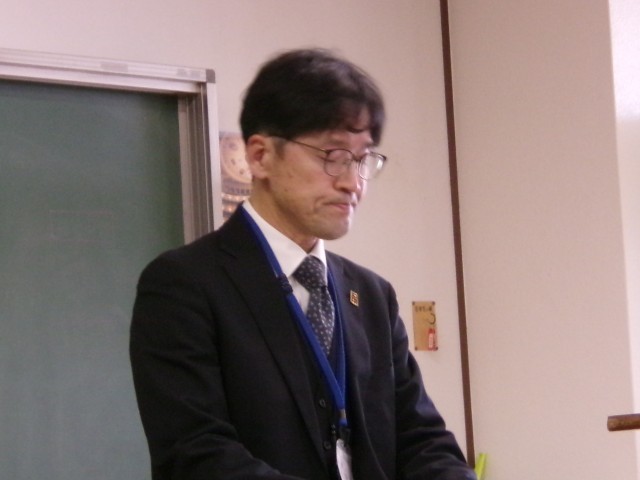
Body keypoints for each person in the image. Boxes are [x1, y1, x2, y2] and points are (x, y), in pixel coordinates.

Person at [130, 48, 476, 480]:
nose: (353, 183)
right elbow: (197, 455)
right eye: (332, 156)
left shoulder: (371, 295)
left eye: (362, 159)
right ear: (260, 156)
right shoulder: (185, 284)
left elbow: (421, 438)